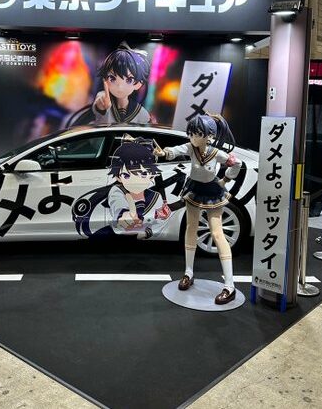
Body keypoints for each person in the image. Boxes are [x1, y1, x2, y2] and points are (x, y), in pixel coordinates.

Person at [154, 113, 241, 305]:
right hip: (194, 190)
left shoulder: (216, 153)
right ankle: (188, 272)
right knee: (191, 228)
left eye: (197, 134)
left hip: (213, 192)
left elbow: (237, 163)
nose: (193, 137)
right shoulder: (190, 147)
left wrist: (226, 179)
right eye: (191, 133)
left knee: (217, 233)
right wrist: (163, 153)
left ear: (209, 136)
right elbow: (175, 150)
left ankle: (230, 285)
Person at [92, 42, 152, 124]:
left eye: (129, 80)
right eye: (112, 78)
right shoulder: (103, 97)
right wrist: (101, 106)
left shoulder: (141, 113)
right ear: (105, 79)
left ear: (138, 84)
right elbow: (98, 106)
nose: (120, 86)